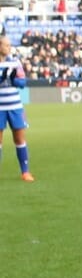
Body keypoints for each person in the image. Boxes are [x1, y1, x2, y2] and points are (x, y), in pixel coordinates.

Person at [0, 37, 34, 182]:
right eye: (6, 45)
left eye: (9, 45)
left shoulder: (14, 62)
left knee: (19, 138)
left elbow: (22, 82)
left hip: (15, 106)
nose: (9, 47)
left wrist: (14, 80)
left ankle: (25, 172)